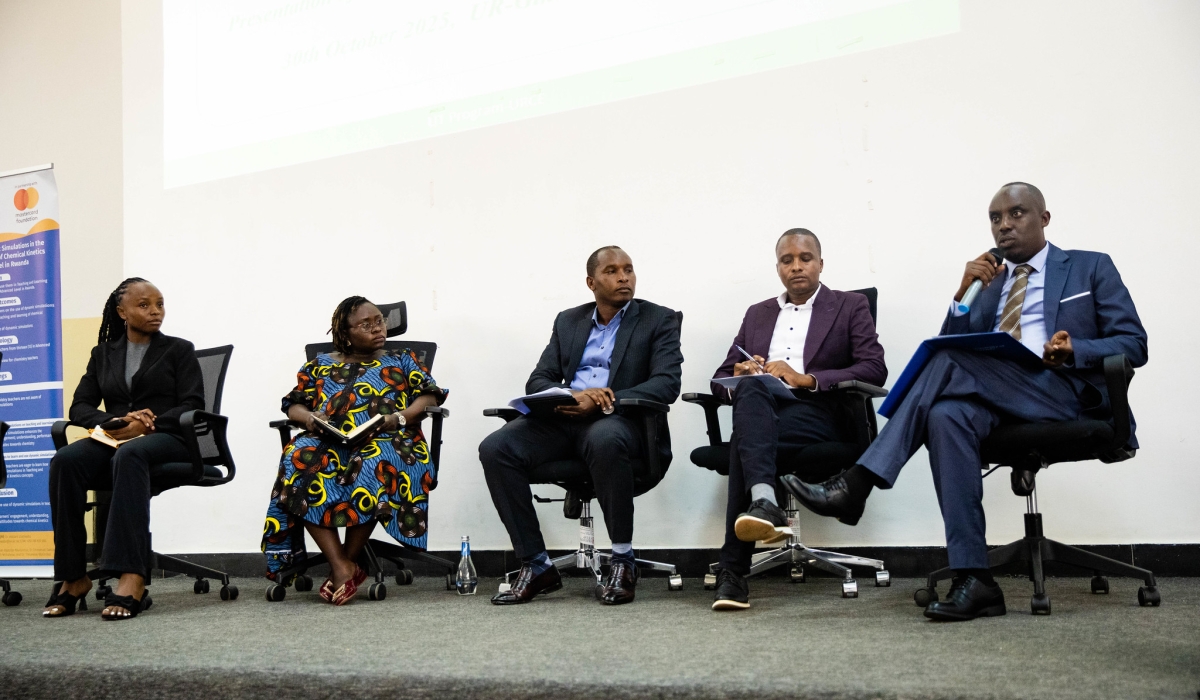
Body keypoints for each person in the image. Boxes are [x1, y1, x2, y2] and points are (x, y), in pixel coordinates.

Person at [786, 183, 1148, 621]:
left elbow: (1134, 343)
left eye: (1016, 214)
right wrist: (963, 295)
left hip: (1062, 393)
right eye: (995, 218)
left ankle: (858, 483)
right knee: (944, 413)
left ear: (1044, 218)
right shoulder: (989, 281)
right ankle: (975, 579)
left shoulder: (1090, 267)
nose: (1004, 225)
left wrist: (1076, 350)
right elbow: (950, 349)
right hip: (994, 395)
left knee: (948, 366)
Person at [479, 246, 683, 606]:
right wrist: (566, 398)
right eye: (612, 271)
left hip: (618, 421)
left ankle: (622, 560)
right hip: (566, 419)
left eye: (629, 269)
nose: (623, 277)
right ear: (591, 282)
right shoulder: (569, 321)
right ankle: (536, 563)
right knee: (496, 448)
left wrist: (605, 397)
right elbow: (539, 378)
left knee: (604, 438)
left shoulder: (658, 319)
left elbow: (666, 383)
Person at [708, 229, 887, 611]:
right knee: (752, 390)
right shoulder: (758, 313)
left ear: (820, 264)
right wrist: (741, 373)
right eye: (787, 261)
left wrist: (806, 378)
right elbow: (719, 380)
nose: (796, 266)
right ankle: (762, 504)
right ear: (778, 268)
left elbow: (874, 369)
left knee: (745, 438)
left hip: (818, 413)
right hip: (762, 410)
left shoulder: (848, 305)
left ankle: (733, 570)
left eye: (805, 258)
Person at [261, 296, 447, 605]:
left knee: (371, 462)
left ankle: (344, 565)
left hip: (391, 440)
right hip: (331, 440)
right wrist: (309, 418)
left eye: (379, 321)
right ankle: (343, 565)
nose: (377, 328)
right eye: (366, 324)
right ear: (345, 333)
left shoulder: (402, 358)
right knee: (297, 460)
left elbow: (430, 398)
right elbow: (293, 403)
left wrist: (395, 418)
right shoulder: (319, 364)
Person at [44, 278, 205, 620]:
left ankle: (132, 576)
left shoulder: (179, 349)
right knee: (65, 460)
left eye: (159, 304)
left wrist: (148, 423)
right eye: (144, 305)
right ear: (121, 312)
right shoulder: (102, 354)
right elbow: (81, 407)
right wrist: (117, 421)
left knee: (131, 454)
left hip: (169, 438)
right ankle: (73, 577)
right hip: (117, 437)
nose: (155, 311)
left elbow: (193, 403)